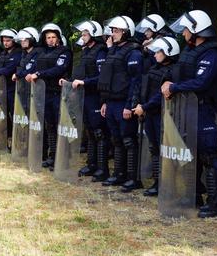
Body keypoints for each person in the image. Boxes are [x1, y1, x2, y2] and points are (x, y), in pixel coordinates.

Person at [162, 10, 217, 218]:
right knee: (191, 156)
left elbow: (201, 82)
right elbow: (177, 74)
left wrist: (174, 88)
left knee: (209, 156)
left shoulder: (212, 53)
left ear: (197, 29)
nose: (183, 33)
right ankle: (194, 196)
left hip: (203, 110)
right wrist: (169, 83)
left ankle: (216, 203)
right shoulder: (191, 51)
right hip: (186, 109)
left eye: (187, 29)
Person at [97, 16, 143, 190]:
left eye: (116, 31)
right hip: (112, 102)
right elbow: (108, 79)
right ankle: (118, 174)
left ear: (126, 32)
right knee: (116, 140)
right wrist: (105, 102)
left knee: (128, 140)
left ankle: (133, 178)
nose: (113, 34)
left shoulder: (134, 52)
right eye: (112, 31)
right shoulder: (113, 51)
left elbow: (135, 82)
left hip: (124, 102)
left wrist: (129, 105)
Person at [132, 36, 180, 196]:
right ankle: (158, 182)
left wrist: (144, 107)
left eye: (159, 51)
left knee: (164, 149)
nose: (155, 54)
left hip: (163, 114)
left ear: (168, 52)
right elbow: (143, 87)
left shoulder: (173, 71)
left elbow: (161, 95)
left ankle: (168, 183)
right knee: (154, 148)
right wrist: (140, 104)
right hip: (150, 114)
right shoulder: (153, 68)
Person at [66, 20, 109, 181]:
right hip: (85, 96)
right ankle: (91, 164)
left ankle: (102, 168)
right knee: (90, 132)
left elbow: (101, 76)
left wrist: (85, 82)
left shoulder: (101, 52)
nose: (82, 37)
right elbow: (80, 72)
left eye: (85, 34)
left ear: (93, 35)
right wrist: (69, 81)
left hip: (96, 96)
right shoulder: (85, 52)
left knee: (99, 132)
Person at [25, 23, 71, 168]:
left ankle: (62, 158)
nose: (50, 40)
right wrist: (29, 74)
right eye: (48, 37)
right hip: (45, 93)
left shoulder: (64, 51)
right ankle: (52, 156)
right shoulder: (42, 52)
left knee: (59, 125)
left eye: (53, 37)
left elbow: (58, 69)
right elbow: (33, 67)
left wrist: (38, 74)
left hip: (59, 93)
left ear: (58, 38)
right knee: (50, 125)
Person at [0, 29, 22, 147]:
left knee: (14, 114)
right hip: (1, 88)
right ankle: (5, 138)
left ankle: (16, 140)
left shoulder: (18, 53)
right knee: (3, 114)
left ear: (14, 41)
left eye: (8, 40)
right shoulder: (3, 54)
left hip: (13, 89)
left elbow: (9, 69)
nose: (6, 43)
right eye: (4, 41)